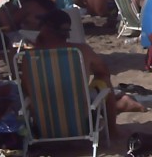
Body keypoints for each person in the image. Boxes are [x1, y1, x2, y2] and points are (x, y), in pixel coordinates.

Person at [32, 9, 145, 139]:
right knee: (103, 81)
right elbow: (103, 72)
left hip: (43, 127)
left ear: (45, 29)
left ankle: (121, 104)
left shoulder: (28, 57)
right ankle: (113, 130)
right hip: (80, 121)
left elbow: (26, 90)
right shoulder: (81, 51)